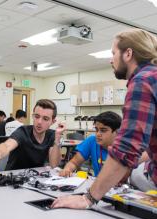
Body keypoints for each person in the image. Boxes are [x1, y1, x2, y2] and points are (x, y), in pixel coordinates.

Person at [52, 28, 157, 209]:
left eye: (113, 53)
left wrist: (88, 198)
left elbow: (127, 147)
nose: (111, 60)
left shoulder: (142, 81)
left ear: (128, 54)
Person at [0, 99, 65, 171]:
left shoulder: (51, 135)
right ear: (33, 116)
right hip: (13, 178)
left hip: (35, 178)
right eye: (37, 117)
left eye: (45, 119)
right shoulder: (23, 131)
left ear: (53, 121)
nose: (39, 122)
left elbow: (54, 165)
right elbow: (7, 145)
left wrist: (57, 139)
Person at [60, 111, 122, 177]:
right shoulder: (92, 140)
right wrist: (67, 169)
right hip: (98, 184)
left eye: (103, 130)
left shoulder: (125, 147)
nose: (98, 134)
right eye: (96, 129)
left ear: (117, 132)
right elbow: (74, 162)